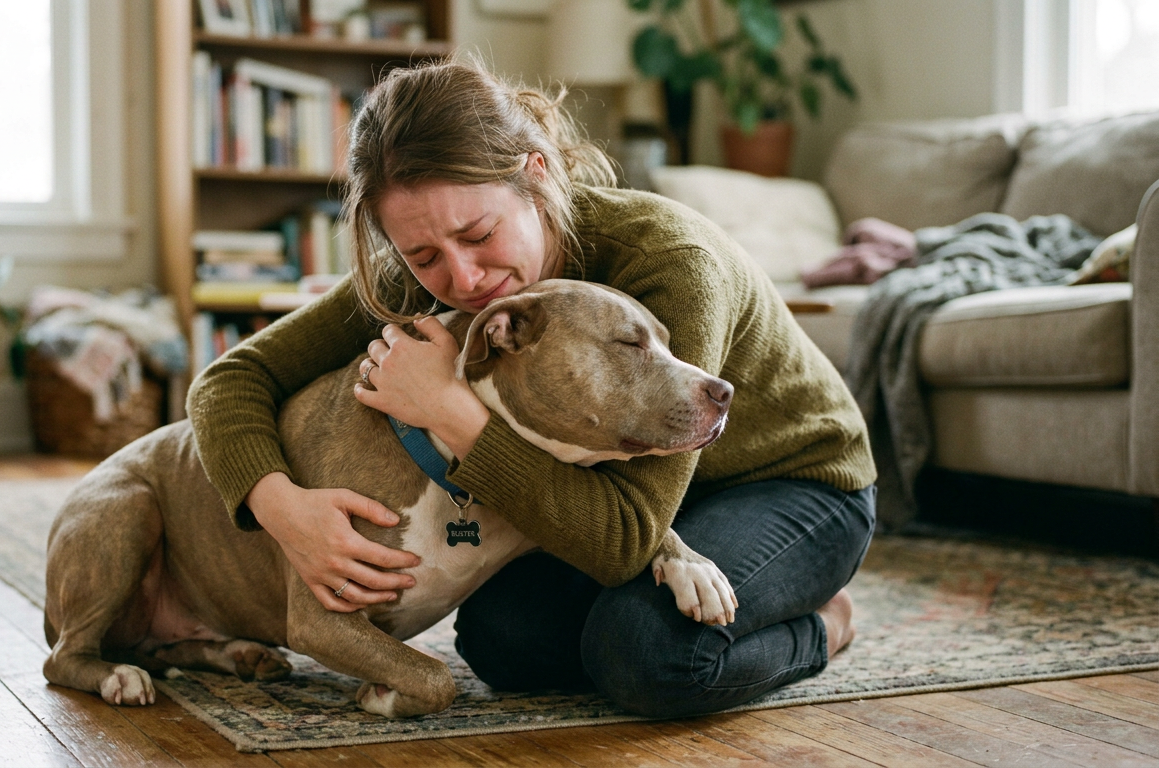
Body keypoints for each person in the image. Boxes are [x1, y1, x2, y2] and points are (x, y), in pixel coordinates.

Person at [187, 59, 877, 717]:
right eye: (422, 256)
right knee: (504, 642)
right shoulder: (428, 272)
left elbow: (625, 539)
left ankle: (824, 624)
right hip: (628, 491)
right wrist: (282, 509)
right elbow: (231, 380)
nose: (461, 279)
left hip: (790, 483)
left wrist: (451, 413)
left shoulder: (668, 264)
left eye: (480, 233)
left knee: (650, 656)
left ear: (535, 174)